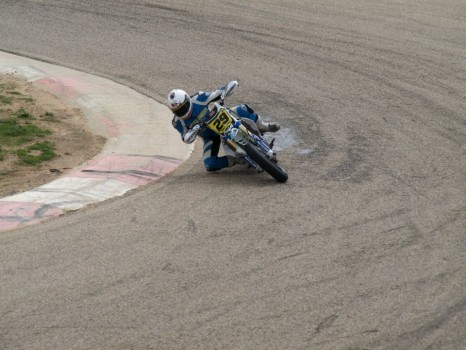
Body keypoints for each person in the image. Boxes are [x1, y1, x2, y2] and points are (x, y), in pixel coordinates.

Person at [168, 81, 280, 172]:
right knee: (209, 164)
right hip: (211, 136)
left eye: (184, 107)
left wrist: (225, 90)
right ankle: (239, 159)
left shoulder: (198, 98)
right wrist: (193, 130)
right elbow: (186, 138)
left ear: (188, 100)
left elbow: (216, 94)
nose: (183, 111)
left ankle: (263, 126)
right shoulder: (178, 123)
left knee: (243, 109)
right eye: (178, 111)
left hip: (224, 118)